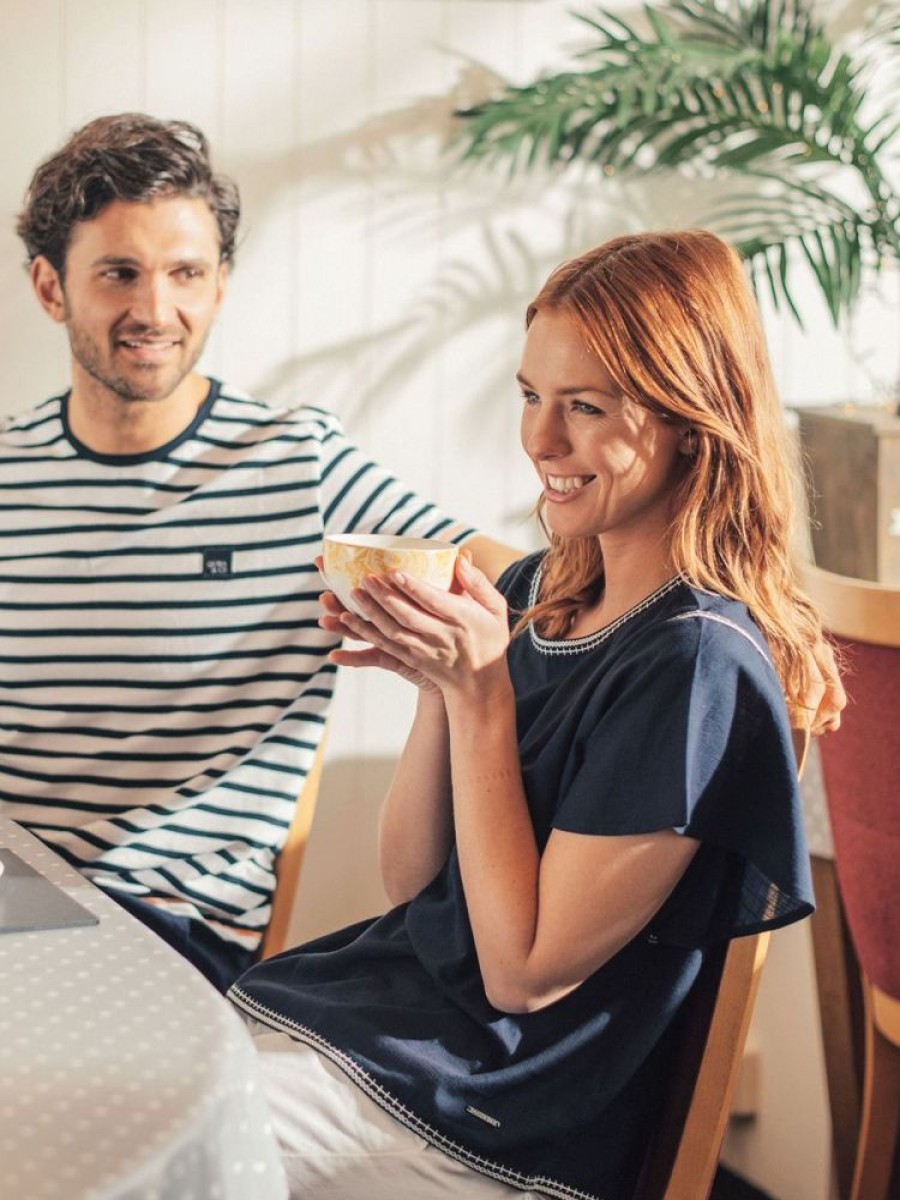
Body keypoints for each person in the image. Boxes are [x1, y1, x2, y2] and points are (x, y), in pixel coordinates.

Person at [229, 229, 845, 1200]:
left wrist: (480, 699)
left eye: (585, 407)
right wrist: (442, 683)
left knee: (173, 1140)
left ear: (691, 423)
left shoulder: (694, 663)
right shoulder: (538, 591)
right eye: (530, 396)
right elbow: (412, 884)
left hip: (498, 1113)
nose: (540, 441)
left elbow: (521, 977)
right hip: (393, 1038)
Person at [0, 112, 516, 993]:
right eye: (119, 273)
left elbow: (509, 579)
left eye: (186, 274)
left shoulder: (294, 463)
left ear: (221, 284)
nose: (155, 310)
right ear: (51, 288)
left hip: (167, 932)